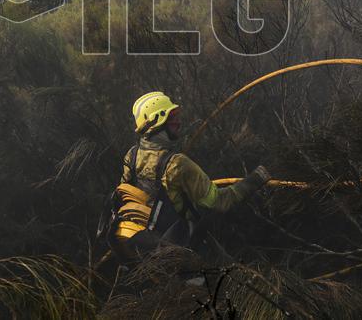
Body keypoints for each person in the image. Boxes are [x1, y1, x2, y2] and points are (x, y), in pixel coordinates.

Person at [111, 90, 271, 259]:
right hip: (181, 251)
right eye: (172, 117)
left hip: (143, 249)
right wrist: (257, 178)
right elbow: (219, 201)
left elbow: (125, 195)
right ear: (157, 123)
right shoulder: (178, 164)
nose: (178, 122)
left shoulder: (132, 155)